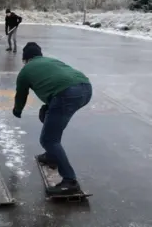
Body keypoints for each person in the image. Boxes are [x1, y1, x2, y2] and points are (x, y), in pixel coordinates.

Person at [12, 42, 93, 195]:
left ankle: (70, 181)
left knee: (48, 139)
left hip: (66, 94)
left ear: (25, 59)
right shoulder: (51, 60)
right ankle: (51, 156)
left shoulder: (25, 71)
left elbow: (21, 95)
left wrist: (17, 111)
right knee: (46, 114)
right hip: (86, 88)